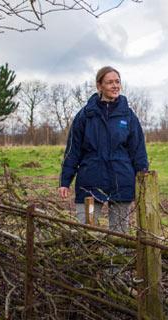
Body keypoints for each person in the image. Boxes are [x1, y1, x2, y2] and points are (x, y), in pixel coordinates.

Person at [59, 66, 148, 233]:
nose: (115, 86)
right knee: (85, 231)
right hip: (90, 181)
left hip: (121, 179)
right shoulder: (85, 115)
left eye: (117, 82)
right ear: (99, 86)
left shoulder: (128, 116)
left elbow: (138, 150)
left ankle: (117, 259)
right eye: (110, 82)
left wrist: (143, 178)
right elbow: (73, 150)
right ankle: (89, 260)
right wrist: (65, 181)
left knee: (120, 233)